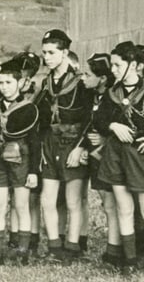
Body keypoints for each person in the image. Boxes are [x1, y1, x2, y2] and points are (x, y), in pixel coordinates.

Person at [37, 29, 92, 262]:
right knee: (47, 200)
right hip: (50, 143)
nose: (47, 57)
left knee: (73, 201)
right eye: (44, 53)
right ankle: (54, 247)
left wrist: (81, 147)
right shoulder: (45, 82)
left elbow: (90, 118)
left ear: (65, 52)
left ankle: (72, 248)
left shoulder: (81, 83)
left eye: (51, 52)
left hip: (73, 143)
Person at [96, 41, 144, 274]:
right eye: (112, 65)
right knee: (124, 208)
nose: (113, 69)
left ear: (133, 65)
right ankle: (130, 261)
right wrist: (113, 124)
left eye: (117, 65)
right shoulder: (111, 93)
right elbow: (99, 121)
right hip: (115, 155)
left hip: (140, 157)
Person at [0, 59, 40, 265]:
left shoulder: (28, 109)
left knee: (21, 205)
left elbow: (35, 143)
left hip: (22, 158)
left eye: (9, 82)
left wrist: (34, 171)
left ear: (20, 83)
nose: (4, 87)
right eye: (1, 83)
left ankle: (22, 252)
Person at [81, 52, 121, 267]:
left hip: (111, 157)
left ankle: (115, 250)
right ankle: (113, 248)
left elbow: (121, 125)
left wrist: (106, 139)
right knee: (107, 203)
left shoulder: (114, 97)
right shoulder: (90, 97)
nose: (83, 78)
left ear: (103, 78)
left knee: (113, 204)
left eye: (88, 74)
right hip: (95, 156)